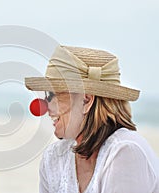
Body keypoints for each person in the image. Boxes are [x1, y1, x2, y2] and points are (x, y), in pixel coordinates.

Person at [25, 45, 159, 193]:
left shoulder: (125, 152)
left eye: (52, 95)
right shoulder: (54, 158)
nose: (45, 106)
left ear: (86, 100)